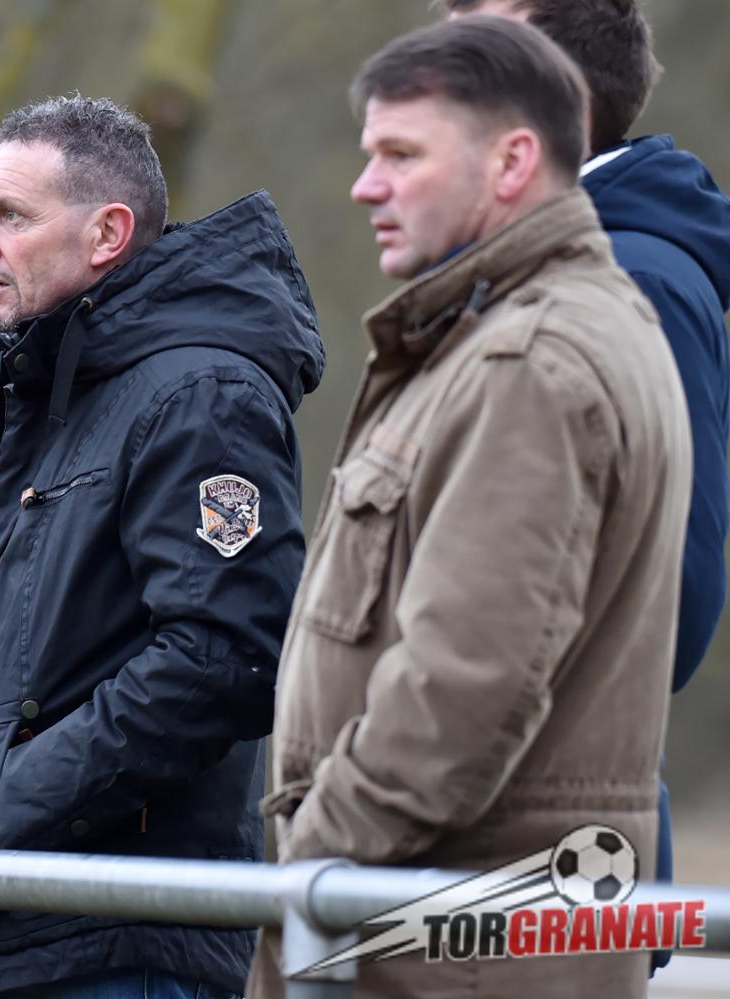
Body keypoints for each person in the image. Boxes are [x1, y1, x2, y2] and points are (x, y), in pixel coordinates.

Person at [250, 17, 692, 998]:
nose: (366, 186)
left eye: (402, 155)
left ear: (512, 162)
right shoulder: (519, 334)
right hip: (434, 937)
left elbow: (465, 682)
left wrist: (313, 863)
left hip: (441, 952)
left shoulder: (532, 362)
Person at [0, 96, 324, 999]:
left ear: (107, 234)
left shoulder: (200, 392)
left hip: (110, 945)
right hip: (10, 926)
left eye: (10, 216)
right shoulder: (60, 390)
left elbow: (226, 657)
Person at [443, 2, 730, 968]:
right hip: (462, 838)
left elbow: (669, 598)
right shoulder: (500, 271)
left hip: (549, 860)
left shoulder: (636, 274)